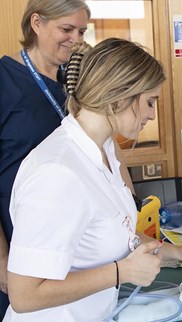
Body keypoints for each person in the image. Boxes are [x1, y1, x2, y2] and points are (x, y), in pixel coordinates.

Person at [4, 38, 182, 321]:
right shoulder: (57, 172)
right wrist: (122, 272)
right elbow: (24, 295)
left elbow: (120, 230)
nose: (152, 115)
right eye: (149, 102)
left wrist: (179, 252)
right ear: (119, 96)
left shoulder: (103, 151)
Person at [0, 0, 90, 318]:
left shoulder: (77, 82)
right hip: (20, 246)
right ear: (36, 23)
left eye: (81, 31)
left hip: (76, 243)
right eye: (66, 29)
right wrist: (2, 260)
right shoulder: (5, 81)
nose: (76, 39)